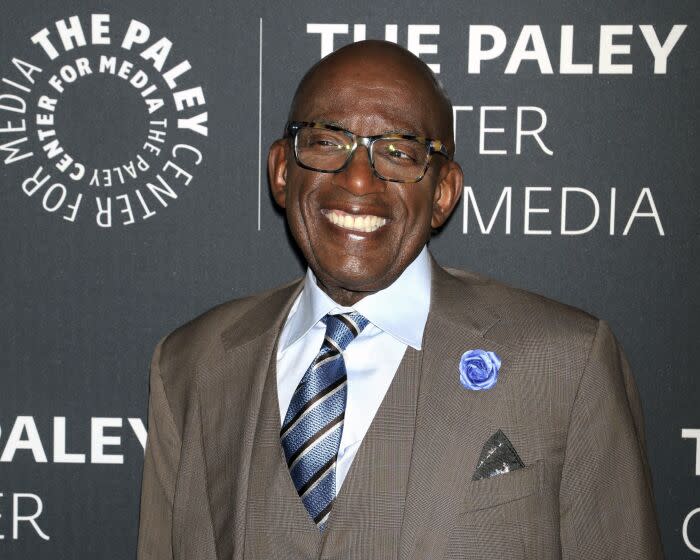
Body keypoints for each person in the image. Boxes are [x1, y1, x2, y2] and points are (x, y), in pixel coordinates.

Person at [137, 40, 663, 559]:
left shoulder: (567, 364)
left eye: (398, 152)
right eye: (327, 141)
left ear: (442, 193)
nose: (359, 179)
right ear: (281, 171)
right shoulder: (190, 364)